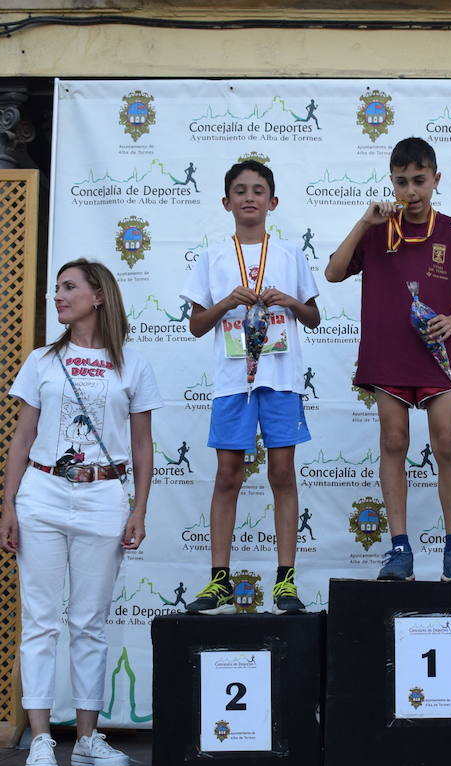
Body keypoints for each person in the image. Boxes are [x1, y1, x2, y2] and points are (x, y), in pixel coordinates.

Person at [0, 258, 163, 766]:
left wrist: (138, 507)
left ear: (98, 297)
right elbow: (22, 438)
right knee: (41, 620)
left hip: (102, 496)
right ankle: (42, 739)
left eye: (69, 288)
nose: (58, 296)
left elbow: (142, 443)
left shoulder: (131, 364)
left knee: (89, 623)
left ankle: (88, 739)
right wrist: (8, 504)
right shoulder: (42, 360)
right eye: (57, 288)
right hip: (42, 494)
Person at [324, 136, 451, 582]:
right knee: (394, 441)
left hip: (438, 355)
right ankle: (399, 549)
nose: (410, 191)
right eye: (401, 182)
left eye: (419, 181)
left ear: (436, 179)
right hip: (388, 353)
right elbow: (334, 272)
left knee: (446, 439)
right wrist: (363, 221)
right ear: (390, 182)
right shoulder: (378, 228)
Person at [182, 159, 321, 613]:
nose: (249, 197)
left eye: (258, 190)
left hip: (279, 379)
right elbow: (196, 326)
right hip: (232, 382)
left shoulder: (289, 255)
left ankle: (285, 579)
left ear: (273, 202)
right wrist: (226, 302)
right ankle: (219, 578)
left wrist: (290, 302)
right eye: (240, 190)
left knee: (282, 472)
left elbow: (314, 317)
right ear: (226, 203)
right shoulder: (213, 257)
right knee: (228, 475)